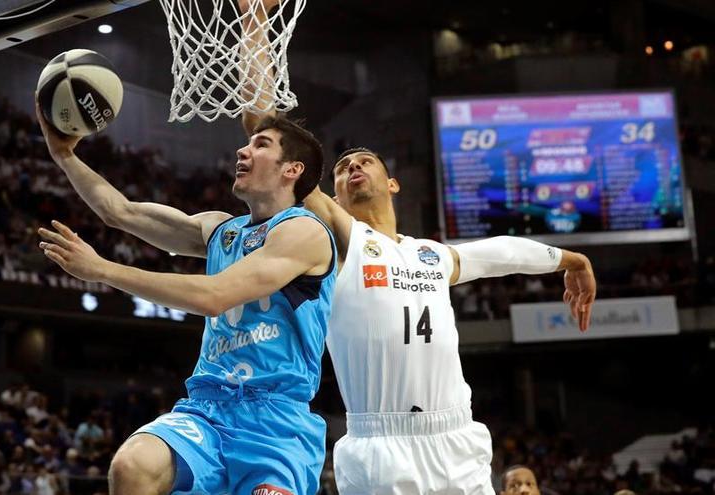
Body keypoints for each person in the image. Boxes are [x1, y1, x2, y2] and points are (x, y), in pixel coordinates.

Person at [239, 6, 596, 493]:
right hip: (380, 444)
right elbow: (266, 129)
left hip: (457, 439)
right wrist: (255, 28)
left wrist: (572, 260)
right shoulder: (336, 239)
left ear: (394, 184)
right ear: (333, 193)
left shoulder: (430, 255)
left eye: (366, 161)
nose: (353, 167)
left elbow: (501, 253)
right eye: (342, 168)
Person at [33, 13, 335, 494]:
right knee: (132, 466)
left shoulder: (305, 232)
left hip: (275, 421)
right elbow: (121, 213)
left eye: (260, 144)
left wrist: (102, 269)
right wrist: (65, 155)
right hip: (207, 410)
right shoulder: (221, 230)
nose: (243, 150)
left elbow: (215, 296)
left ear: (292, 170)